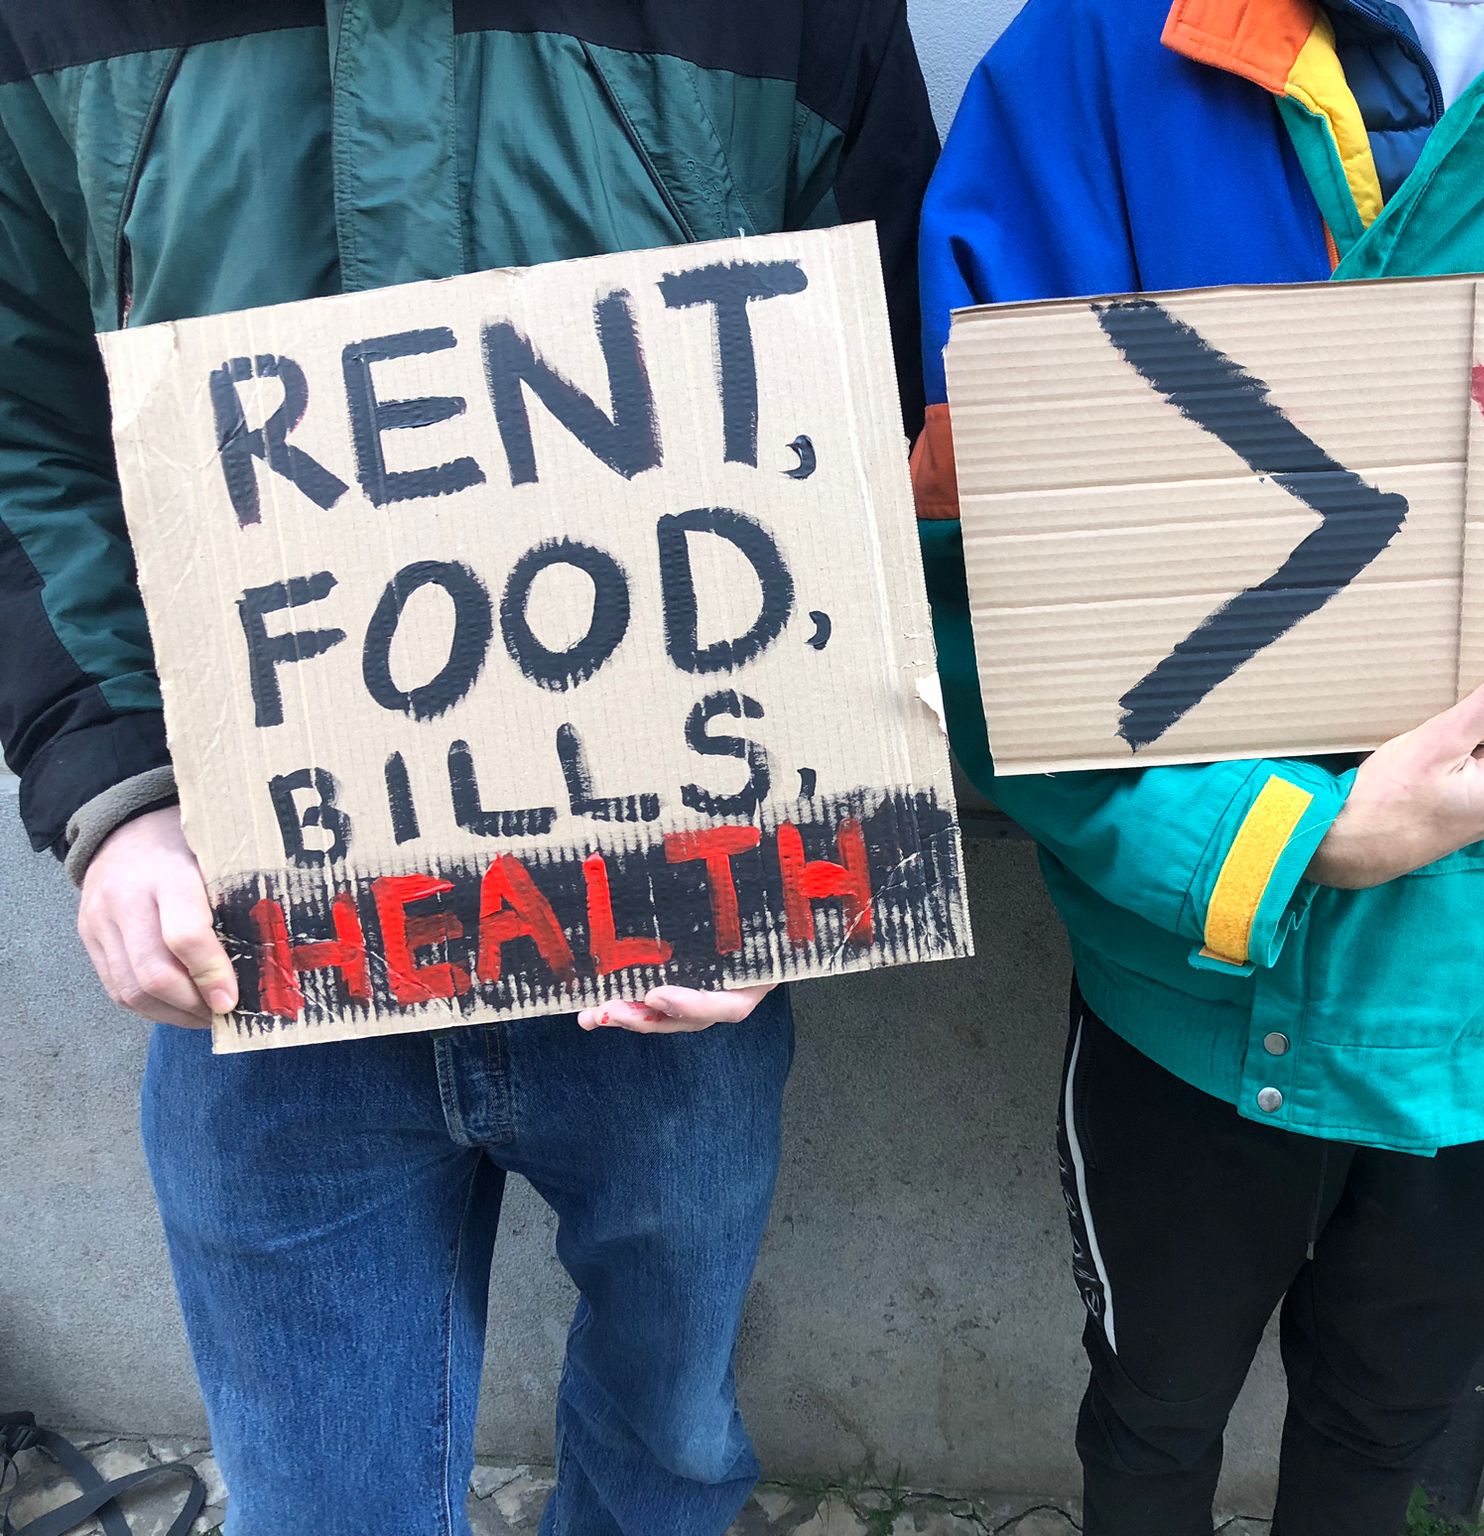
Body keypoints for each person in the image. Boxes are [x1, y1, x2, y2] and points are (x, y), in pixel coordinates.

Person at [0, 7, 935, 1532]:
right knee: (321, 1505)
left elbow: (880, 400)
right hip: (260, 925)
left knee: (669, 1455)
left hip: (674, 916)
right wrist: (112, 790)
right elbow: (21, 415)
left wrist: (806, 823)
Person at [912, 0, 1484, 1530]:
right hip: (1196, 991)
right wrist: (1271, 839)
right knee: (1149, 1410)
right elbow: (968, 574)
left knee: (1379, 1442)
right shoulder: (1102, 41)